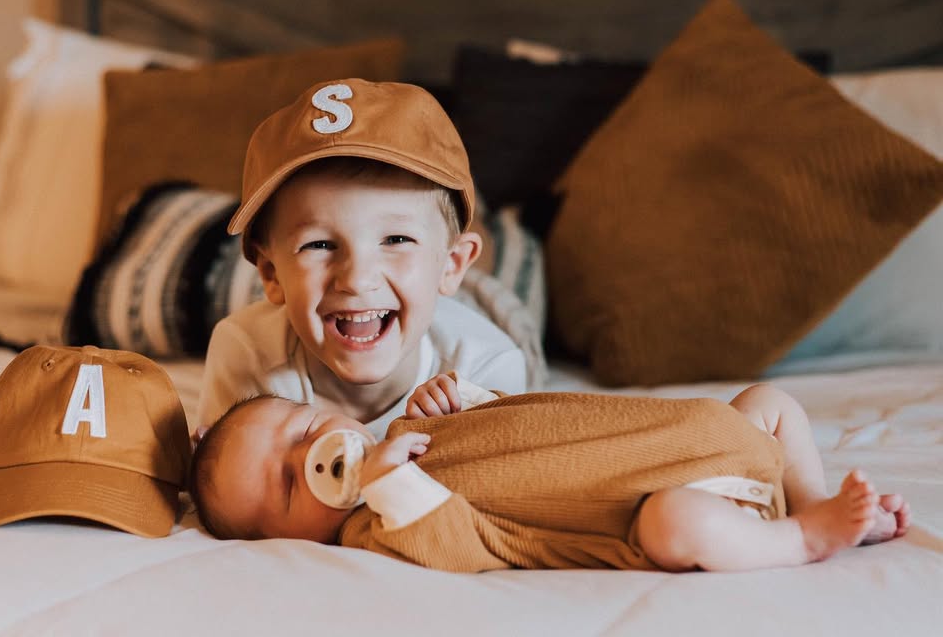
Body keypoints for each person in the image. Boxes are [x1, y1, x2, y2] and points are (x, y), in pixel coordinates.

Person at [189, 376, 911, 573]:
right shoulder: (379, 529)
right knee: (671, 523)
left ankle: (816, 498)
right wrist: (385, 481)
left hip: (702, 436)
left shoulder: (411, 430)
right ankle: (803, 536)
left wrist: (465, 400)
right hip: (688, 503)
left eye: (302, 426)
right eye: (289, 483)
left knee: (770, 402)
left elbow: (534, 425)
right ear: (282, 539)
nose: (310, 453)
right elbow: (458, 540)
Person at [195, 79, 528, 439]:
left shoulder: (486, 367)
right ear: (271, 273)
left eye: (396, 239)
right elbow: (219, 487)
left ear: (453, 264)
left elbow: (505, 487)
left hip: (472, 310)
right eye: (319, 244)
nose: (355, 278)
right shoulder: (246, 355)